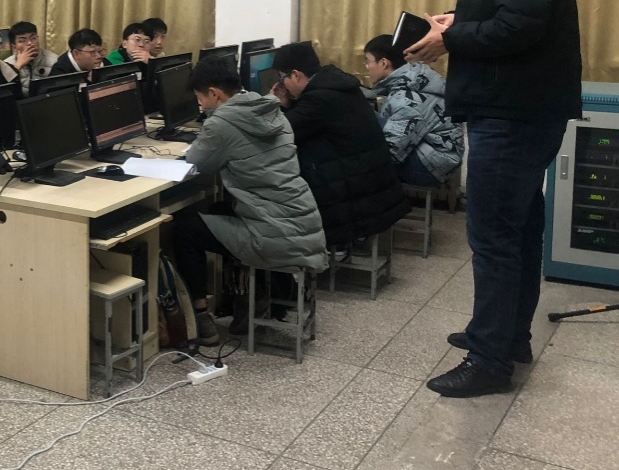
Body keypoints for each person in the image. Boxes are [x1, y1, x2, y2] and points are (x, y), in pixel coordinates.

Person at [406, 0, 581, 398]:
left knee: (494, 238)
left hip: (514, 113)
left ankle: (488, 362)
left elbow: (519, 27)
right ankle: (508, 336)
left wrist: (450, 38)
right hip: (516, 109)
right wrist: (460, 21)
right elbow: (509, 13)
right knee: (518, 229)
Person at [171, 62, 328, 343]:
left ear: (214, 93)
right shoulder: (271, 109)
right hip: (303, 221)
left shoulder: (221, 123)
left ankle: (200, 316)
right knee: (218, 210)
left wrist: (208, 131)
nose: (200, 105)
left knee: (184, 228)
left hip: (272, 234)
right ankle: (248, 297)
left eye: (200, 99)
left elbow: (196, 162)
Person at [270, 41, 409, 259]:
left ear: (295, 75)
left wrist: (274, 104)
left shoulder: (318, 98)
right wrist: (288, 105)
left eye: (282, 78)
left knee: (281, 180)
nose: (283, 85)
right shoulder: (335, 85)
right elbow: (305, 121)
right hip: (373, 185)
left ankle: (319, 245)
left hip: (355, 194)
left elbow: (281, 132)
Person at [363, 34, 463, 188]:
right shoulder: (413, 83)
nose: (367, 67)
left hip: (430, 168)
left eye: (367, 61)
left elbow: (392, 151)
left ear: (383, 63)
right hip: (437, 160)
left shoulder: (408, 96)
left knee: (361, 113)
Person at [5, 21, 58, 95]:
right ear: (14, 46)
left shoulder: (54, 61)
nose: (30, 43)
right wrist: (18, 66)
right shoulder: (7, 65)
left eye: (33, 38)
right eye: (22, 40)